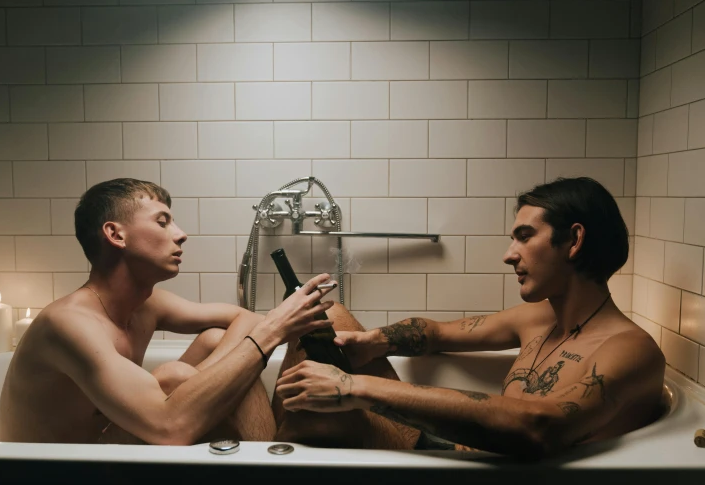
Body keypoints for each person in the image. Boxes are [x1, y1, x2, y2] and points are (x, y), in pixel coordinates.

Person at [275, 177, 667, 459]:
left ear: (574, 240)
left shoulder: (629, 349)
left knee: (313, 421)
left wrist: (354, 387)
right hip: (461, 459)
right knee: (327, 316)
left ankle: (255, 482)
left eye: (525, 236)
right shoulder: (539, 318)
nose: (509, 254)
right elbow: (436, 334)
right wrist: (375, 341)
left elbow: (540, 428)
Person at [0, 178, 342, 445]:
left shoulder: (147, 305)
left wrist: (214, 372)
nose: (181, 235)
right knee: (175, 376)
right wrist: (271, 333)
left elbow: (247, 320)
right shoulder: (68, 324)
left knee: (215, 340)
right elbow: (170, 429)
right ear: (115, 234)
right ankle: (272, 481)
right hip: (53, 481)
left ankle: (267, 467)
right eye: (163, 222)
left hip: (106, 457)